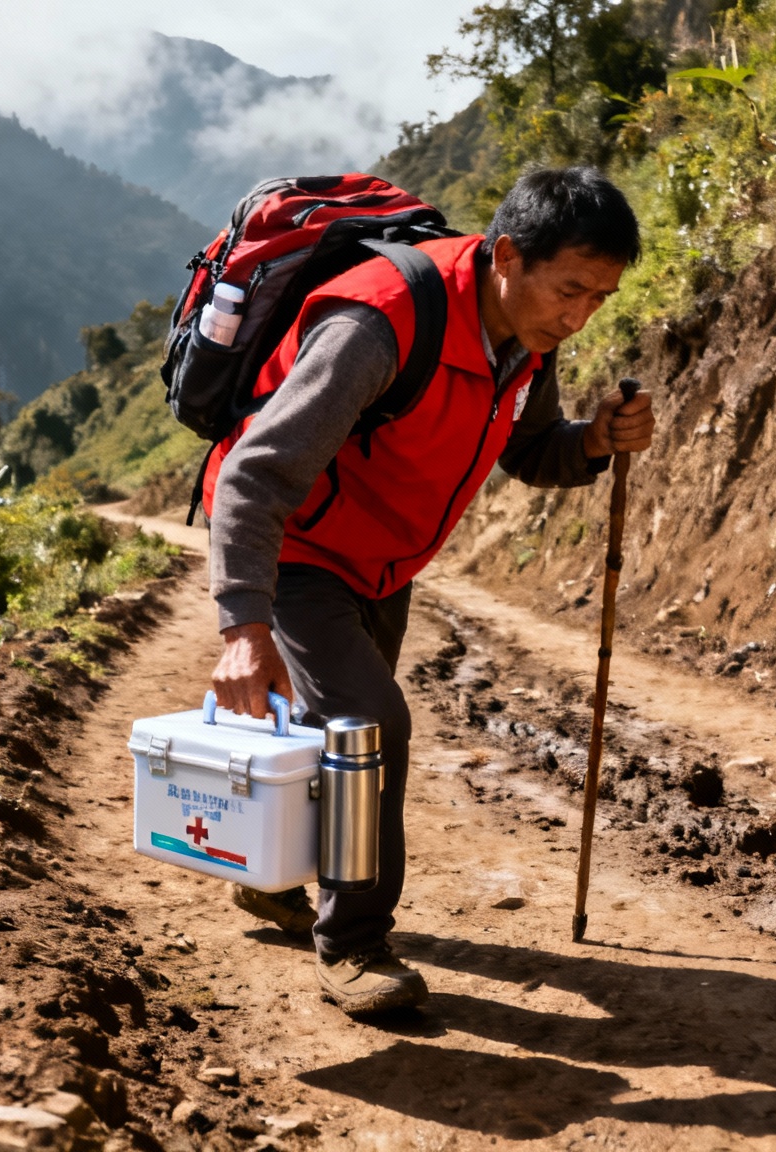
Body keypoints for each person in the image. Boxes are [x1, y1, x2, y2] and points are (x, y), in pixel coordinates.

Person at [203, 166, 655, 1015]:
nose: (580, 316)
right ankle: (352, 945)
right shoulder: (378, 324)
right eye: (571, 290)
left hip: (383, 561)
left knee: (332, 733)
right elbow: (257, 475)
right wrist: (243, 627)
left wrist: (594, 441)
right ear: (507, 255)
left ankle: (269, 877)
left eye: (600, 298)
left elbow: (529, 450)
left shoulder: (526, 337)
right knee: (370, 727)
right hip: (301, 548)